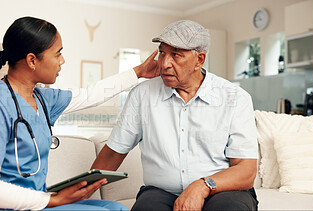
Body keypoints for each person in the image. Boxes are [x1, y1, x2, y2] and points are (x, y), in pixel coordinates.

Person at [0, 16, 159, 210]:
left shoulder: (42, 98)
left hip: (32, 202)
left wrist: (139, 72)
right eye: (57, 53)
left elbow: (89, 95)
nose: (62, 61)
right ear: (32, 60)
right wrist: (52, 199)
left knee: (113, 207)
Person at [91, 20, 259, 211]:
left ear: (200, 60)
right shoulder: (142, 95)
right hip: (161, 192)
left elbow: (246, 171)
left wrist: (203, 186)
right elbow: (113, 152)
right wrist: (72, 196)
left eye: (175, 55)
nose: (164, 64)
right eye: (162, 53)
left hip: (221, 190)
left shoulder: (235, 97)